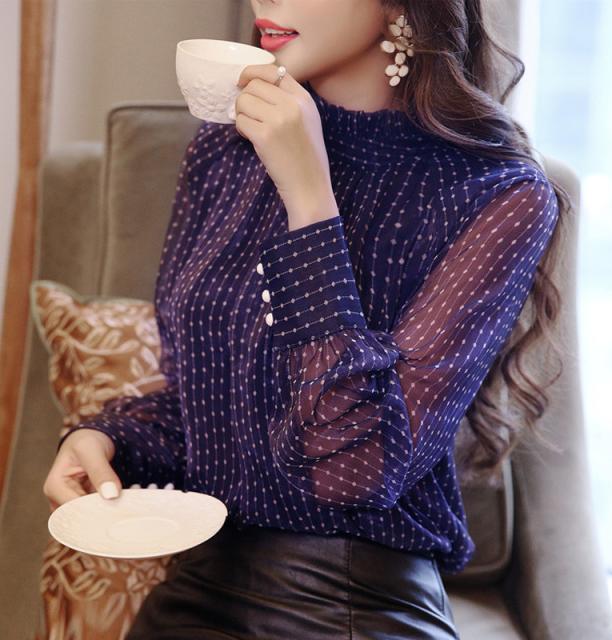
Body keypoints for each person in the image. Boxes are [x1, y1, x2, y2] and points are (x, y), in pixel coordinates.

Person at [43, 1, 567, 638]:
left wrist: (309, 198)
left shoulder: (498, 193)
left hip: (351, 603)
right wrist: (107, 441)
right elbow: (201, 401)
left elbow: (356, 470)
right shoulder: (222, 151)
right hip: (196, 585)